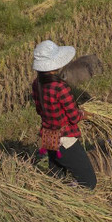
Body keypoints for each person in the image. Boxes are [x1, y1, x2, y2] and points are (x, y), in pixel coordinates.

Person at [31, 40, 97, 189]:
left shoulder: (37, 84)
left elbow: (39, 110)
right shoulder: (60, 87)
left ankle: (57, 198)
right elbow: (74, 117)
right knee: (89, 182)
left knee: (56, 179)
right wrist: (84, 114)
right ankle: (76, 199)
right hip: (64, 140)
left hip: (48, 137)